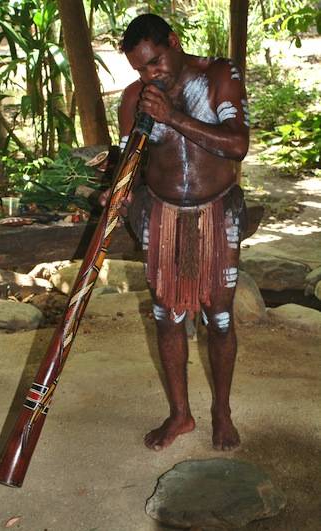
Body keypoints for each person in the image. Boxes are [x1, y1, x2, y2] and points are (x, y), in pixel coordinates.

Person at [114, 13, 249, 451]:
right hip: (163, 215)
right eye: (140, 69)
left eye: (155, 63)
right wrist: (118, 193)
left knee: (220, 319)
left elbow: (237, 144)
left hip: (216, 210)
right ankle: (180, 415)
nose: (150, 75)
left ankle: (221, 412)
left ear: (173, 41)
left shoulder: (218, 76)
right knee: (167, 319)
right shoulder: (136, 99)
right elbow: (129, 165)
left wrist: (172, 116)